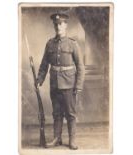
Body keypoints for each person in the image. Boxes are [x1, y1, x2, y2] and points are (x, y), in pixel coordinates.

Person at [36, 12, 85, 150]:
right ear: (54, 26)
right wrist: (39, 79)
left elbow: (80, 66)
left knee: (70, 114)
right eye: (56, 24)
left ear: (65, 25)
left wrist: (79, 85)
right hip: (54, 84)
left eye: (61, 24)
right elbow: (44, 64)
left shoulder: (72, 44)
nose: (58, 26)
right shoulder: (50, 44)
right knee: (56, 113)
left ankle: (72, 140)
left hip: (69, 84)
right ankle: (57, 139)